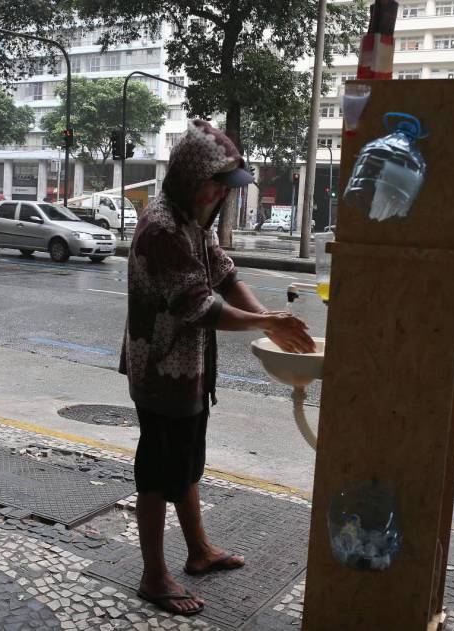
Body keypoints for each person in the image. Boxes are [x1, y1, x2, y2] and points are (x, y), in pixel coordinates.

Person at [120, 120, 316, 617]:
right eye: (215, 185)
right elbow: (198, 306)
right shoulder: (162, 227)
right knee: (157, 474)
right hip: (160, 370)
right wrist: (265, 321)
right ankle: (153, 575)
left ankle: (199, 551)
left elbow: (225, 276)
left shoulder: (193, 221)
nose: (219, 195)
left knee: (186, 465)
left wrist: (270, 325)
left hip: (190, 371)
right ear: (191, 179)